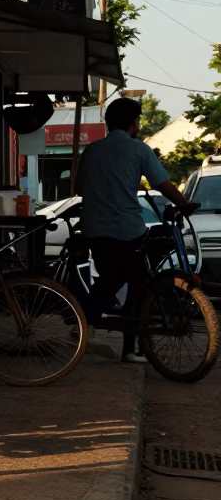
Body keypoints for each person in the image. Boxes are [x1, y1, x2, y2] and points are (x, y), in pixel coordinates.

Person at [77, 97, 199, 363]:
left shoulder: (92, 150)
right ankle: (128, 348)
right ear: (133, 124)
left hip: (94, 230)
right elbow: (163, 184)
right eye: (138, 120)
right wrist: (185, 203)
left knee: (111, 278)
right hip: (126, 229)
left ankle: (84, 323)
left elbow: (78, 189)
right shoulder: (138, 149)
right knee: (138, 282)